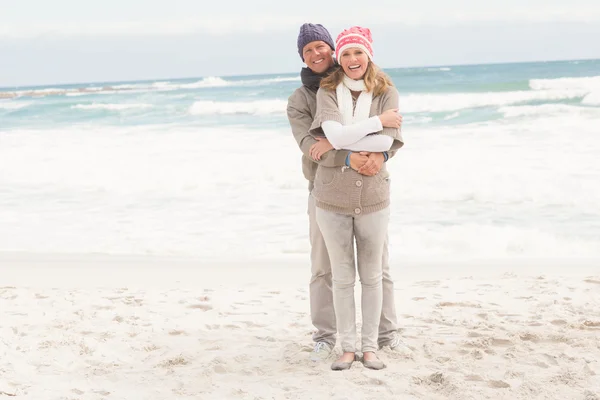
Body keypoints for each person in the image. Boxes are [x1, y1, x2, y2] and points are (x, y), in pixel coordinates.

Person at [286, 23, 410, 366]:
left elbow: (390, 137)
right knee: (324, 268)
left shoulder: (363, 82)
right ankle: (325, 338)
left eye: (320, 47)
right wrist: (347, 154)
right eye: (307, 50)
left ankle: (385, 333)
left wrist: (380, 154)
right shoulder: (302, 99)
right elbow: (312, 146)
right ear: (302, 57)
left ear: (332, 49)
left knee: (378, 267)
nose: (316, 54)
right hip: (322, 189)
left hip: (369, 186)